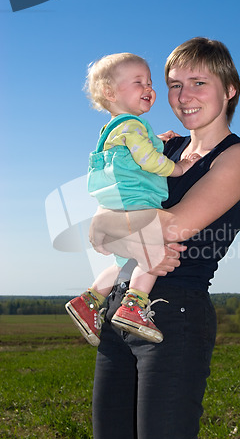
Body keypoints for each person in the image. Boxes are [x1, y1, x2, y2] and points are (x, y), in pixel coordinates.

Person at [89, 37, 240, 439]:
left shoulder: (239, 158)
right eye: (174, 84)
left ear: (229, 90)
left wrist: (112, 232)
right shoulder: (161, 151)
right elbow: (98, 223)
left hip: (173, 316)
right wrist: (115, 234)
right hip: (119, 311)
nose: (183, 96)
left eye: (199, 82)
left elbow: (170, 228)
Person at [66, 53, 198, 347]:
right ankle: (134, 305)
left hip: (113, 203)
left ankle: (89, 301)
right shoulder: (134, 127)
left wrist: (156, 139)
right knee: (158, 250)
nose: (148, 88)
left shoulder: (114, 127)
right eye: (138, 82)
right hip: (135, 201)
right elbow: (148, 161)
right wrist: (178, 167)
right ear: (110, 93)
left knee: (127, 259)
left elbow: (133, 150)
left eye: (150, 83)